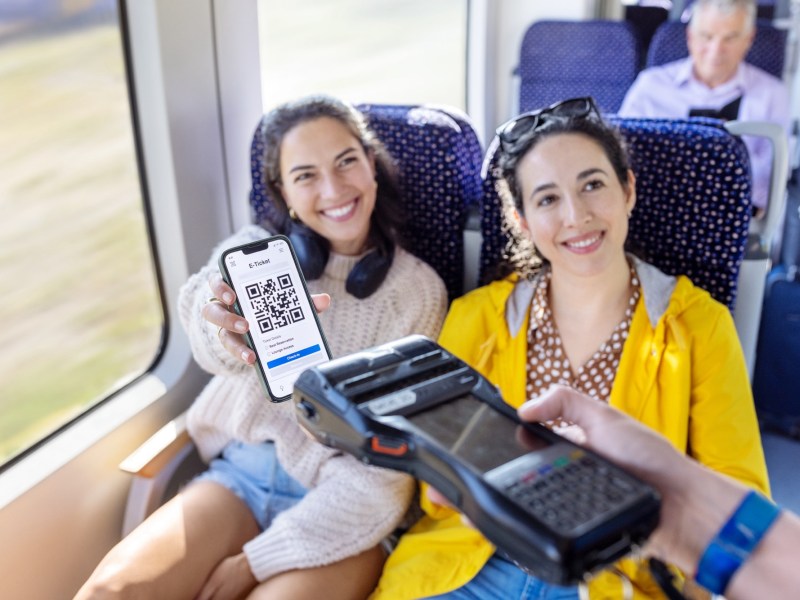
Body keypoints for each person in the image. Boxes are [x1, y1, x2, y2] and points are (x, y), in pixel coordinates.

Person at [371, 97, 769, 599]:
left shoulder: (699, 327)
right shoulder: (475, 318)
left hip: (608, 577)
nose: (576, 216)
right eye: (547, 199)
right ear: (521, 220)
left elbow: (736, 499)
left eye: (592, 185)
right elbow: (434, 492)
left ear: (627, 189)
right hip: (469, 563)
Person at [75, 95, 448, 600]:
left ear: (372, 168)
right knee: (109, 592)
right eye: (306, 175)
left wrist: (252, 564)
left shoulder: (417, 292)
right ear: (284, 194)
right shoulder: (248, 254)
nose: (334, 189)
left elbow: (383, 477)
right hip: (242, 479)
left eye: (346, 163)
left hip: (346, 508)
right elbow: (202, 313)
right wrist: (225, 333)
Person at [515, 385, 800, 600]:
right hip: (492, 560)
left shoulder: (701, 323)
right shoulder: (478, 314)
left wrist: (682, 520)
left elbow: (740, 472)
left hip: (620, 574)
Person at [618, 0, 791, 216]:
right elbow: (621, 157)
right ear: (690, 36)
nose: (716, 50)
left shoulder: (773, 94)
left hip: (735, 218)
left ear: (749, 39)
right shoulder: (650, 85)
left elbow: (770, 183)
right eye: (706, 36)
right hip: (652, 212)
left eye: (730, 37)